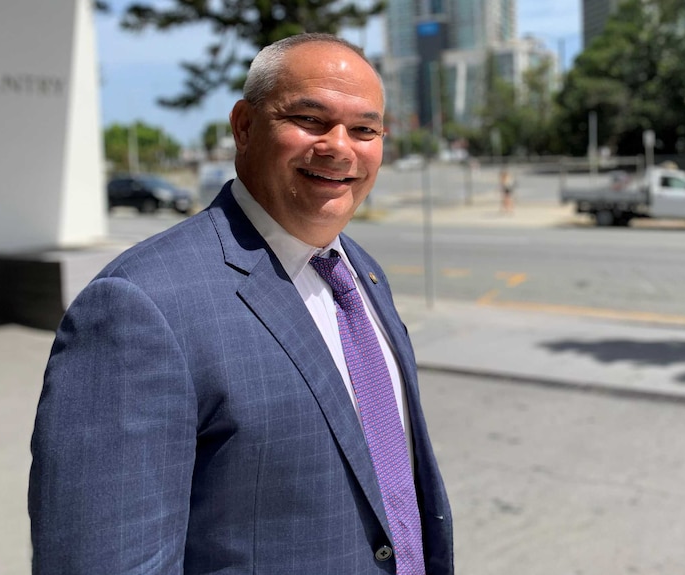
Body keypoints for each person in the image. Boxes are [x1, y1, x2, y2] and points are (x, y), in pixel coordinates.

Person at [29, 33, 453, 575]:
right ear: (245, 126)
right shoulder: (137, 308)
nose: (340, 147)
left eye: (364, 129)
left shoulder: (362, 271)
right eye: (311, 120)